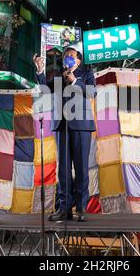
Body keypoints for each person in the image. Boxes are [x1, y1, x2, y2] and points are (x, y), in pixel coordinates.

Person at [33, 43, 96, 222]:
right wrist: (40, 71)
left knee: (82, 169)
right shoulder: (59, 76)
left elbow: (92, 93)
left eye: (71, 55)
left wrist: (75, 80)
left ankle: (82, 208)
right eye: (65, 55)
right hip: (62, 126)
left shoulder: (87, 73)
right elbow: (45, 89)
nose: (67, 57)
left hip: (82, 126)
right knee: (63, 170)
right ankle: (64, 208)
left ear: (78, 59)